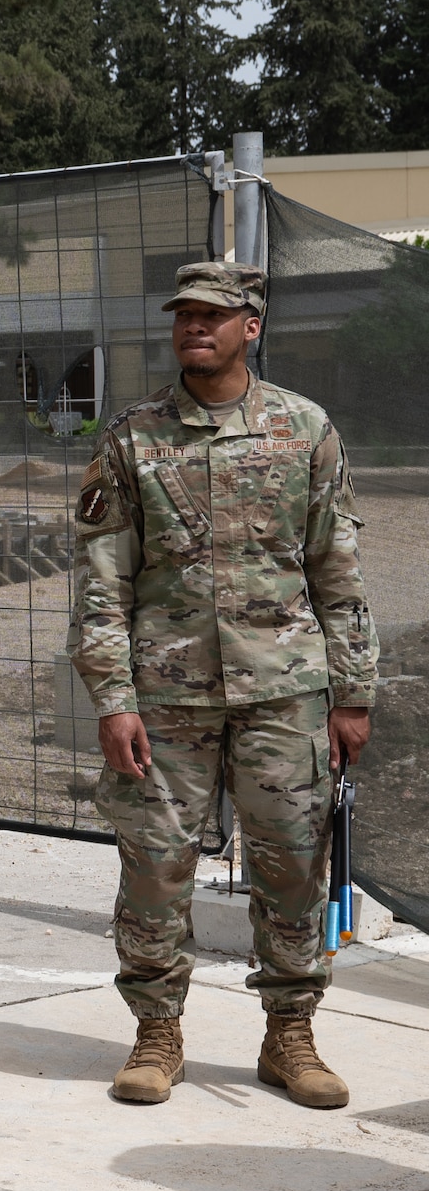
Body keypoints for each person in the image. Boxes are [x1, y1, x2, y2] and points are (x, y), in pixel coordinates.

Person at [72, 261, 376, 1109]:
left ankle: (291, 1034)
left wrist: (352, 694)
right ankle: (156, 1031)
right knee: (155, 866)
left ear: (252, 326)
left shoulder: (303, 429)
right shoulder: (133, 437)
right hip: (165, 699)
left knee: (292, 865)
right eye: (184, 315)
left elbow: (337, 571)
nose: (194, 327)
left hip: (285, 692)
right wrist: (113, 697)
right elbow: (101, 582)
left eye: (214, 314)